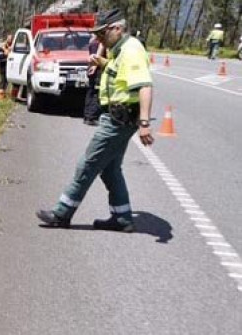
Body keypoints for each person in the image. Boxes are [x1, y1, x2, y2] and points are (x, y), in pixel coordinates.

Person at [36, 9, 155, 232]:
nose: (98, 39)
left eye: (102, 34)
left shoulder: (131, 51)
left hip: (119, 120)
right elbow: (120, 74)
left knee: (87, 164)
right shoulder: (119, 50)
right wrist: (103, 63)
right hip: (115, 116)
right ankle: (122, 217)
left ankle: (62, 213)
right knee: (110, 169)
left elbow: (145, 85)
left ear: (117, 29)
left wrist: (145, 124)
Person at [84, 35, 106, 126]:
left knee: (91, 91)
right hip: (97, 69)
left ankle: (87, 116)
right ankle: (91, 117)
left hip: (92, 68)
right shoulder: (99, 44)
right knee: (96, 93)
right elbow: (97, 57)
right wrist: (95, 66)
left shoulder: (92, 42)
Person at [0, 34, 13, 99]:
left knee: (7, 82)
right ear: (7, 39)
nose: (10, 40)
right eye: (9, 39)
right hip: (3, 67)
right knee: (2, 81)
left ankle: (5, 95)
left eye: (11, 39)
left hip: (9, 68)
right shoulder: (2, 47)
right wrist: (6, 54)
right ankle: (0, 96)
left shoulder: (13, 47)